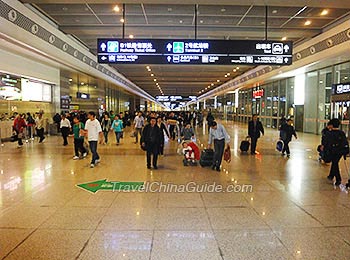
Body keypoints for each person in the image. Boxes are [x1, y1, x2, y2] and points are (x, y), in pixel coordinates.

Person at [323, 118, 349, 186]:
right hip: (340, 152)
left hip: (333, 151)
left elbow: (326, 143)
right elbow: (345, 143)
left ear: (331, 125)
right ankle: (331, 175)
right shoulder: (342, 133)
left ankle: (338, 179)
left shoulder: (329, 133)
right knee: (335, 162)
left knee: (335, 163)